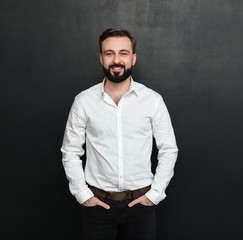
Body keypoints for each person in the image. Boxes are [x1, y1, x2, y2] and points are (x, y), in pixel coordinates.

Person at [61, 28, 178, 240]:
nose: (117, 60)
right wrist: (82, 194)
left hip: (141, 206)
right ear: (101, 58)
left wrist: (154, 195)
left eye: (123, 53)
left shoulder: (152, 100)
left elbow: (168, 149)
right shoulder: (83, 101)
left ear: (133, 58)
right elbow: (70, 150)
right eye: (109, 53)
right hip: (97, 206)